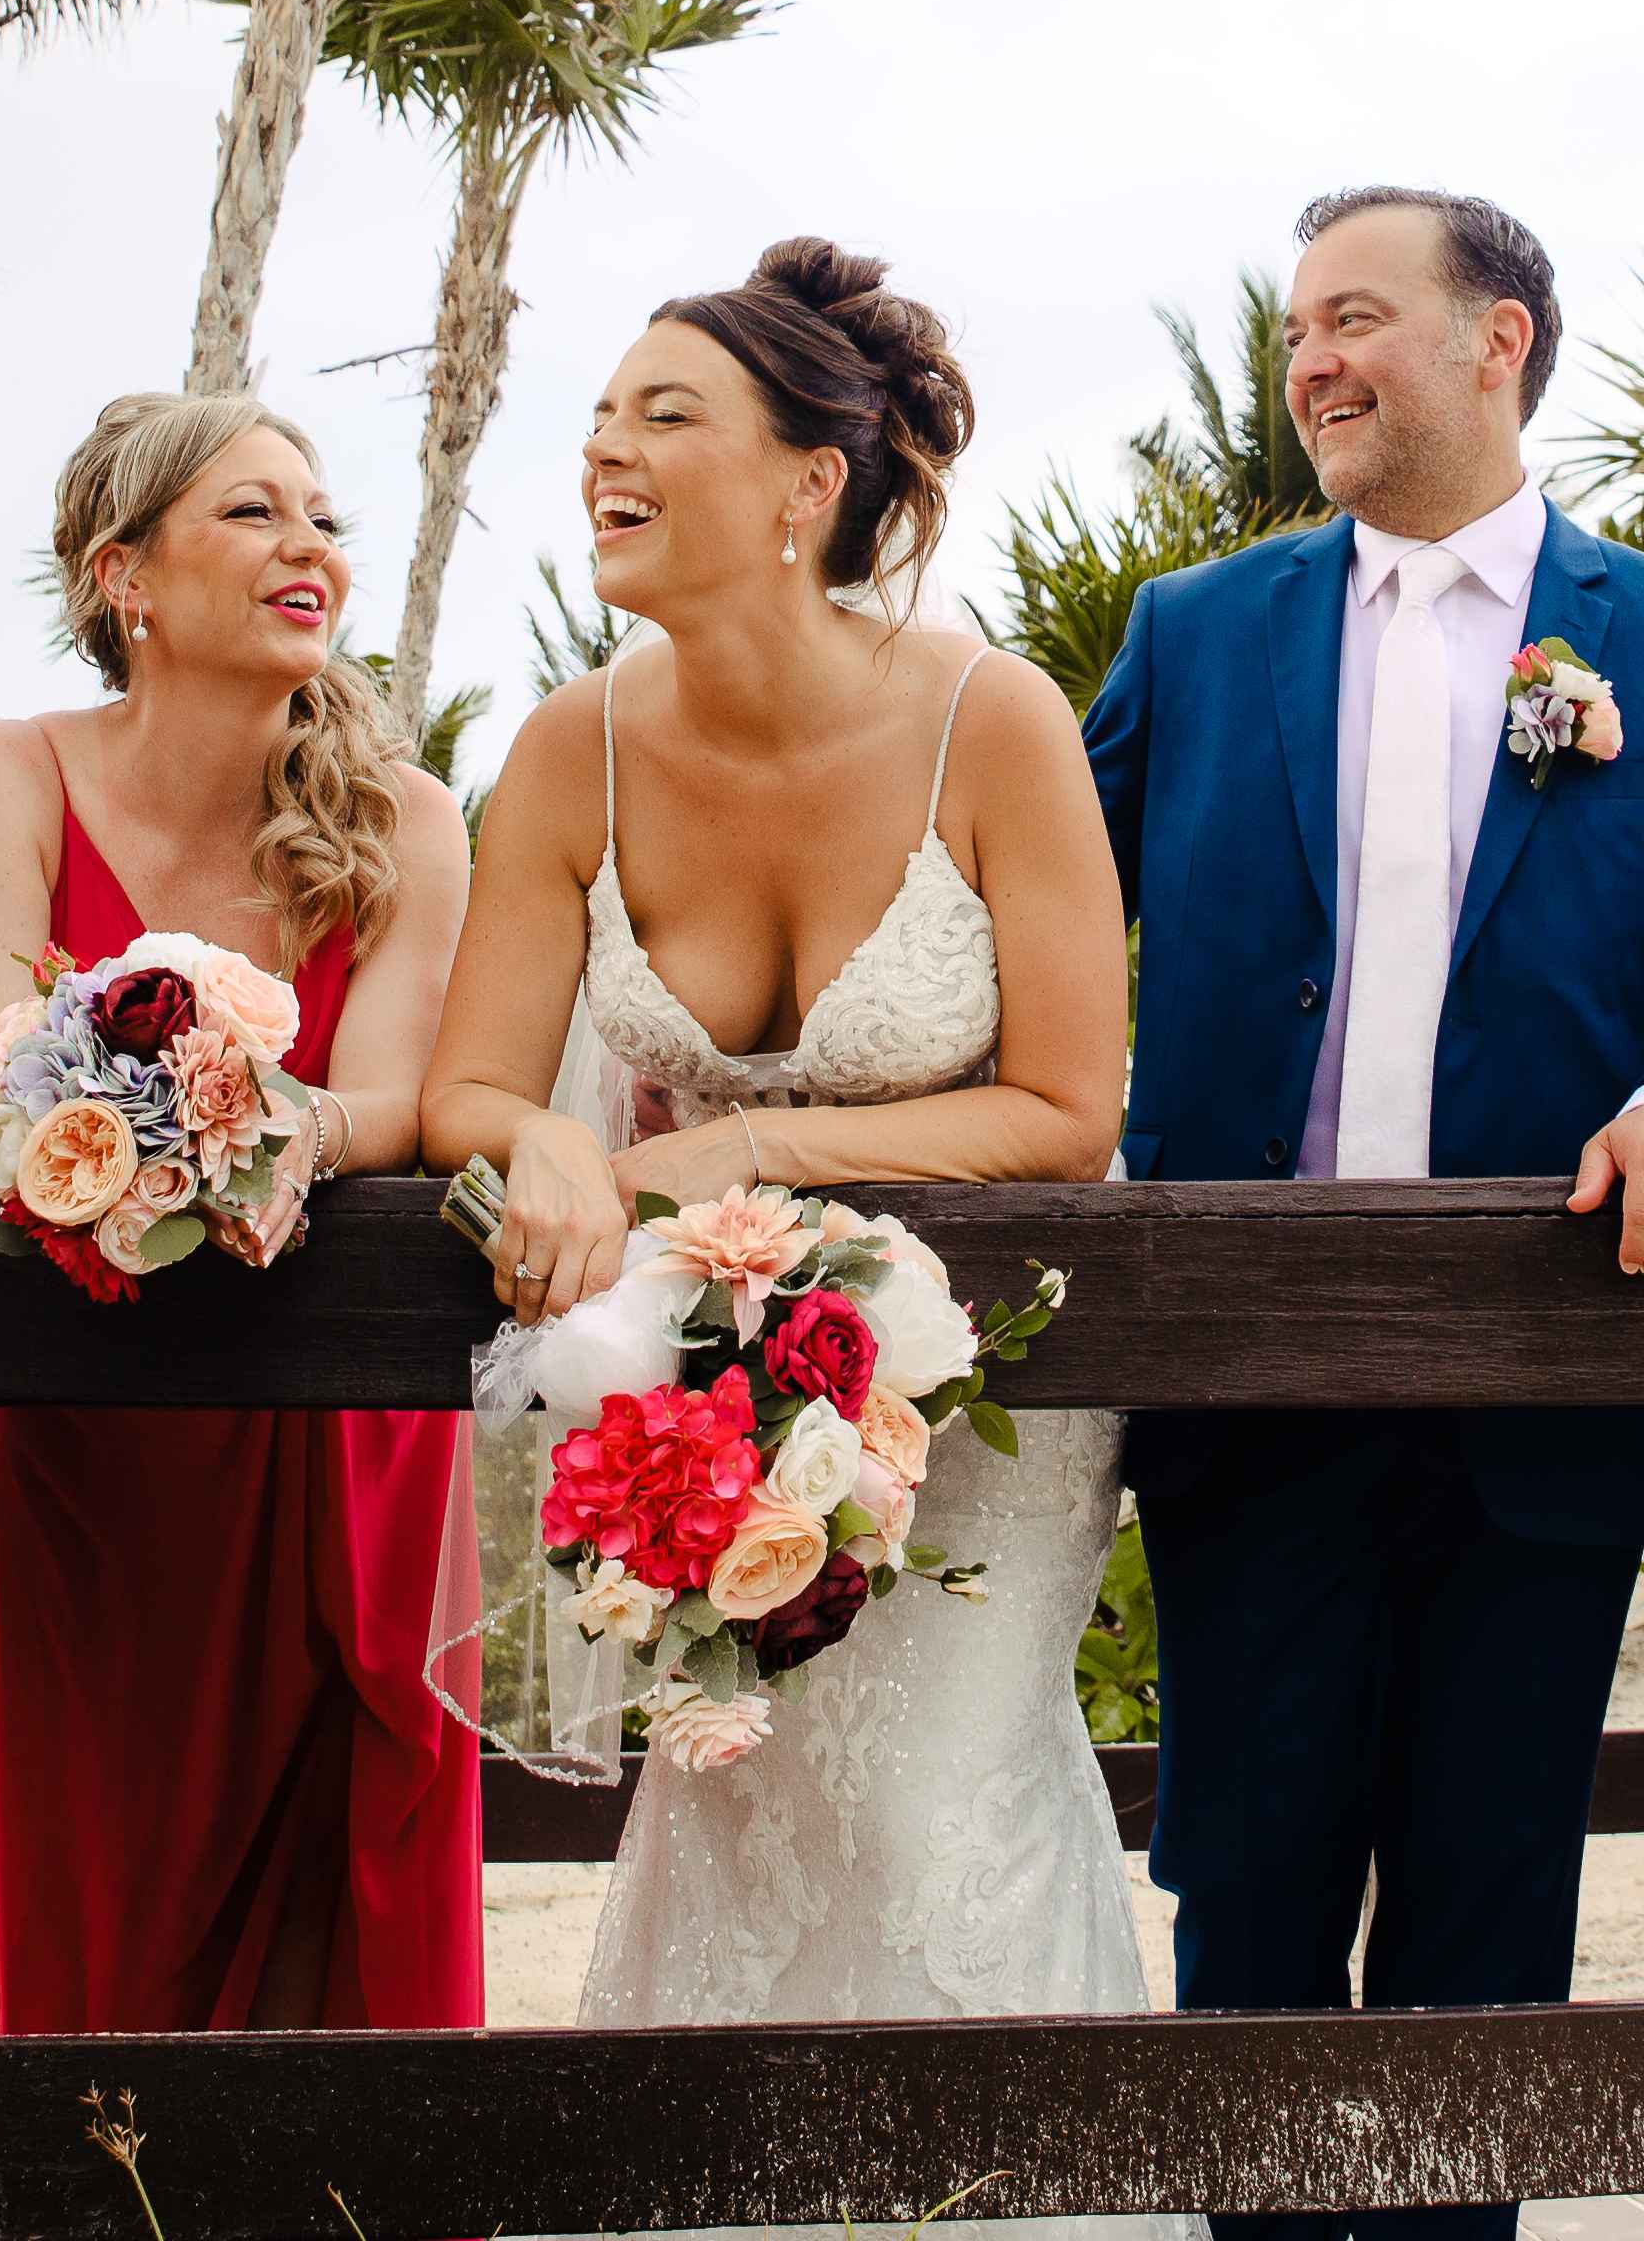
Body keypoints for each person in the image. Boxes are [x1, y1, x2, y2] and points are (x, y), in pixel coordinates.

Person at [1098, 185, 1644, 2241]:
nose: (1310, 358)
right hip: (1252, 1368)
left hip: (1553, 1369)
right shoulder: (1194, 630)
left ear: (1497, 337)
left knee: (1490, 1914)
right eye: (1294, 330)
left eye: (1355, 315)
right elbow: (1039, 930)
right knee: (1244, 1899)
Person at [423, 239, 1182, 2241]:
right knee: (732, 1798)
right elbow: (472, 1089)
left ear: (804, 483)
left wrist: (745, 1130)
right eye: (600, 416)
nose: (605, 444)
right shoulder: (564, 746)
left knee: (940, 1808)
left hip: (982, 1394)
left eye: (664, 412)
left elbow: (1070, 1104)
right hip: (688, 1386)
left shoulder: (988, 720)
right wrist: (561, 1159)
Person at [0, 392, 482, 2032]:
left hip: (315, 1424)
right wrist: (131, 1129)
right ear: (126, 576)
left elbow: (396, 1106)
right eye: (254, 514)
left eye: (323, 517)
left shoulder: (408, 824)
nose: (311, 545)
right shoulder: (5, 778)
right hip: (49, 1432)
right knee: (69, 1850)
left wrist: (223, 1125)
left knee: (315, 1888)